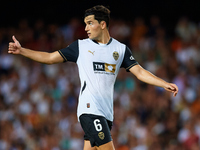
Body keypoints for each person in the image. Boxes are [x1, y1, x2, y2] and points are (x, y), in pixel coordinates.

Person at [8, 5, 178, 150]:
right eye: (85, 24)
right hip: (90, 110)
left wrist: (163, 83)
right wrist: (22, 51)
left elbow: (140, 72)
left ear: (102, 24)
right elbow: (50, 58)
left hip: (106, 113)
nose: (86, 28)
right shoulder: (81, 46)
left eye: (90, 23)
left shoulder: (120, 49)